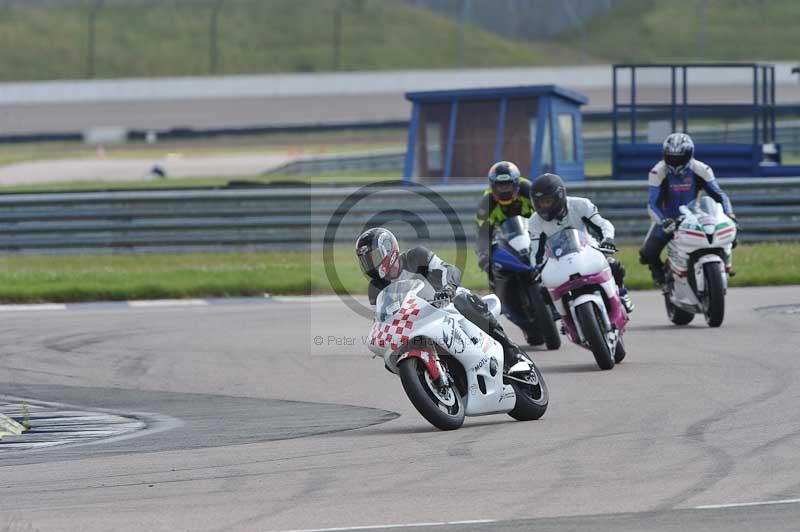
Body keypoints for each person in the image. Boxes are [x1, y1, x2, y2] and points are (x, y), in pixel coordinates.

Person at [356, 227, 525, 368]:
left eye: (374, 258)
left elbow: (448, 269)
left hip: (445, 304)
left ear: (389, 250)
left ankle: (512, 352)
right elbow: (382, 319)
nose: (370, 265)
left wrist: (448, 289)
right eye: (366, 261)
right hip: (417, 323)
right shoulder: (375, 288)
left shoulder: (416, 256)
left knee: (462, 300)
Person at [528, 173, 634, 313]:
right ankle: (559, 312)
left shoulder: (580, 205)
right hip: (556, 257)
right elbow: (536, 251)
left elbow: (602, 224)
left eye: (547, 201)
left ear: (559, 196)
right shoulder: (534, 221)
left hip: (587, 248)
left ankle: (621, 292)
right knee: (542, 288)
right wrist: (536, 268)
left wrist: (607, 239)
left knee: (614, 265)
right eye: (540, 202)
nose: (544, 206)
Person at [640, 133, 735, 285]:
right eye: (671, 157)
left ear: (690, 154)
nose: (676, 161)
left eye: (680, 157)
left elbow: (719, 195)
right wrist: (663, 221)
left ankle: (723, 267)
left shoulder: (701, 169)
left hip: (694, 215)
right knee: (648, 252)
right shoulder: (657, 171)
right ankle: (660, 275)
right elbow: (653, 204)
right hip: (667, 218)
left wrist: (729, 214)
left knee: (729, 236)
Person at [474, 161, 543, 345]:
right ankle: (509, 307)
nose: (504, 190)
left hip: (533, 238)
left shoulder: (528, 190)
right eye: (500, 186)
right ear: (492, 186)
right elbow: (482, 234)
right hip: (505, 244)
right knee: (492, 272)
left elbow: (544, 213)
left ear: (516, 183)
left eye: (508, 185)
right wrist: (483, 255)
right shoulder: (486, 203)